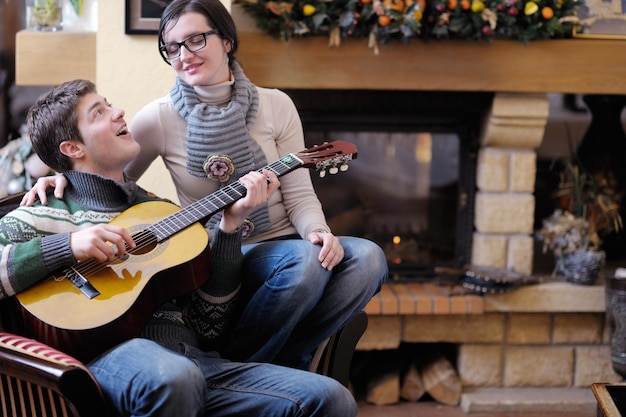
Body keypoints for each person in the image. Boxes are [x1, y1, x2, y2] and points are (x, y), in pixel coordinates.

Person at [23, 0, 388, 372]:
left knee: (368, 259)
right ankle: (252, 368)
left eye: (196, 40)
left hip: (288, 242)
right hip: (219, 253)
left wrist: (318, 231)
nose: (185, 55)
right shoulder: (159, 117)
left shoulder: (277, 105)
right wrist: (64, 176)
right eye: (173, 48)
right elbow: (108, 177)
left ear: (227, 40)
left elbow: (299, 195)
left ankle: (270, 362)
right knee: (306, 264)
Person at [4, 79, 358, 417]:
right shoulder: (42, 212)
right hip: (114, 362)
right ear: (72, 148)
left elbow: (208, 326)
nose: (119, 112)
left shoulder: (162, 213)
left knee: (331, 399)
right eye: (98, 112)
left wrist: (230, 229)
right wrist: (66, 246)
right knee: (174, 377)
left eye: (109, 104)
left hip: (194, 360)